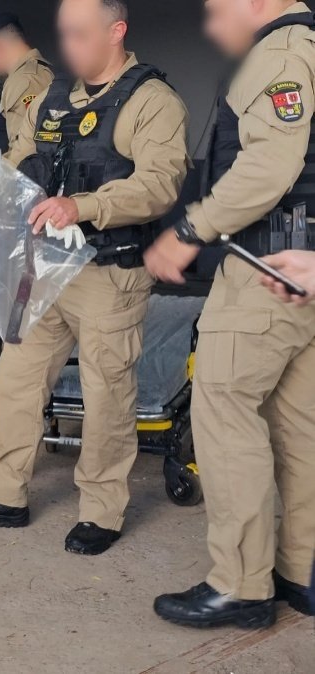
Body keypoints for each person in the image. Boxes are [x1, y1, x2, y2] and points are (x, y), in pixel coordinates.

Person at [0, 0, 190, 557]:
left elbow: (159, 184)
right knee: (14, 383)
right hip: (48, 268)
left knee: (106, 398)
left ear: (117, 31)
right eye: (65, 34)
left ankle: (101, 511)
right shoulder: (56, 97)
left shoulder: (152, 101)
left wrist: (83, 206)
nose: (69, 46)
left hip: (110, 274)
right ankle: (4, 495)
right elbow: (27, 152)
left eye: (81, 34)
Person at [147, 0, 315, 629]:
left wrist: (192, 228)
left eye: (218, 10)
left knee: (223, 413)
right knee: (298, 429)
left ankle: (241, 586)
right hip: (303, 272)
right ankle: (300, 572)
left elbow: (269, 167)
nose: (213, 26)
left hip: (265, 270)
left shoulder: (279, 54)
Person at [0, 12, 55, 427]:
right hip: (26, 213)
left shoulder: (27, 80)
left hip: (26, 215)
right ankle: (13, 401)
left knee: (22, 312)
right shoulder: (30, 76)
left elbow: (28, 153)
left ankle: (16, 404)